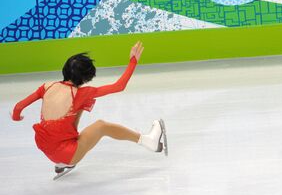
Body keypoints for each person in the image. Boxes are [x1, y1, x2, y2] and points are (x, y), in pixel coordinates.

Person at [11, 41, 167, 176]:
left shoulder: (47, 86)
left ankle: (64, 162)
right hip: (66, 153)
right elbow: (119, 86)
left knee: (77, 107)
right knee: (101, 126)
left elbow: (18, 107)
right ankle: (149, 141)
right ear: (86, 77)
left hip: (45, 146)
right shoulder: (81, 93)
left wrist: (17, 117)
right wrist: (133, 61)